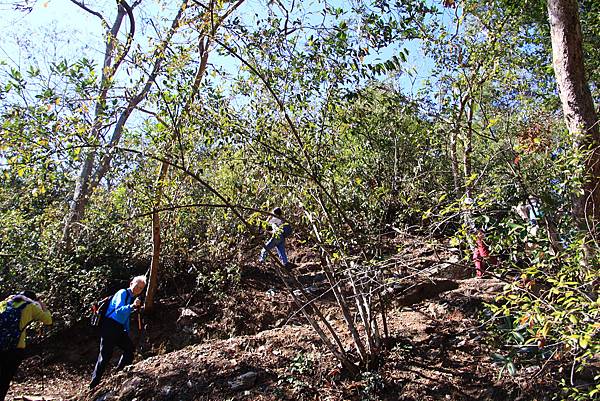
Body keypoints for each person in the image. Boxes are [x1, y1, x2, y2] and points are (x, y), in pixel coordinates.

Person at [90, 275, 146, 389]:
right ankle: (93, 385)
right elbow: (119, 311)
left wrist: (126, 330)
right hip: (109, 326)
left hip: (119, 328)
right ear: (131, 283)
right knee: (105, 356)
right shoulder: (122, 293)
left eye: (141, 288)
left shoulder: (132, 298)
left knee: (129, 349)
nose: (138, 289)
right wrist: (133, 306)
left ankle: (119, 375)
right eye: (137, 285)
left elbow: (124, 317)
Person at [0, 290, 52, 401]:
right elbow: (48, 320)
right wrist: (44, 308)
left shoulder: (4, 303)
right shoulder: (30, 306)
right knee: (5, 378)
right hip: (16, 348)